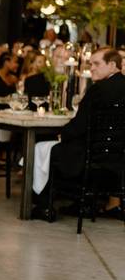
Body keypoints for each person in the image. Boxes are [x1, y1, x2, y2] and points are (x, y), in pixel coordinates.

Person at [32, 48, 125, 220]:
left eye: (96, 64)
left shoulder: (98, 90)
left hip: (90, 158)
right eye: (91, 64)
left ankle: (43, 205)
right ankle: (85, 203)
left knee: (42, 148)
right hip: (117, 159)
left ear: (113, 65)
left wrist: (62, 135)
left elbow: (79, 126)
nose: (92, 68)